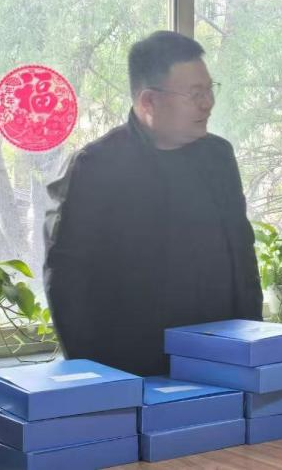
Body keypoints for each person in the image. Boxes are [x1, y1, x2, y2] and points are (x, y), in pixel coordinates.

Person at [44, 30, 262, 376]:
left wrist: (254, 341)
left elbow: (242, 253)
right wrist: (95, 375)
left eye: (209, 90)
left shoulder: (218, 157)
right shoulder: (97, 166)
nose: (208, 103)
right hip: (129, 367)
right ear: (148, 102)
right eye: (195, 94)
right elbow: (68, 280)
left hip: (220, 357)